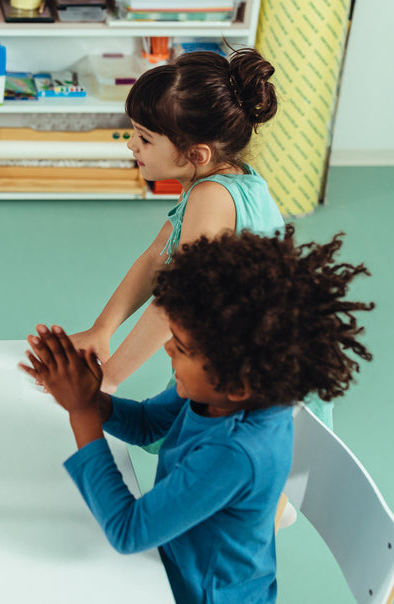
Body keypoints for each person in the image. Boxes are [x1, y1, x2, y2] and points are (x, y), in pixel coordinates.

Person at [22, 228, 374, 604]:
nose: (168, 349)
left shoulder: (237, 452)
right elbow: (147, 424)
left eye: (183, 347)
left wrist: (81, 412)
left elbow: (128, 531)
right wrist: (92, 398)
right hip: (170, 564)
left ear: (236, 383)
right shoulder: (228, 390)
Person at [68, 49, 284, 393]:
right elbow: (158, 256)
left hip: (248, 378)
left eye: (145, 138)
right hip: (219, 353)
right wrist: (102, 329)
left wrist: (107, 379)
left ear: (197, 154)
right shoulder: (211, 179)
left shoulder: (212, 196)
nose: (131, 145)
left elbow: (178, 301)